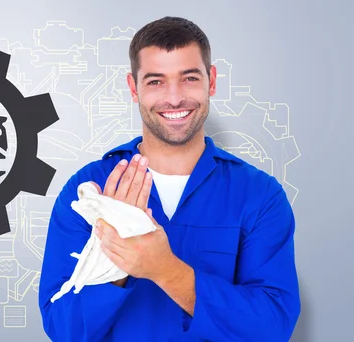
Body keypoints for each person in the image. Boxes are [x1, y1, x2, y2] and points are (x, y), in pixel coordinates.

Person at [37, 16, 301, 341]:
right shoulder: (89, 192)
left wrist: (165, 270)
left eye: (189, 78)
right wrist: (115, 265)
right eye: (155, 81)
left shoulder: (259, 196)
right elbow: (62, 329)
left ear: (212, 81)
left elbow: (273, 327)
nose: (174, 98)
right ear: (134, 88)